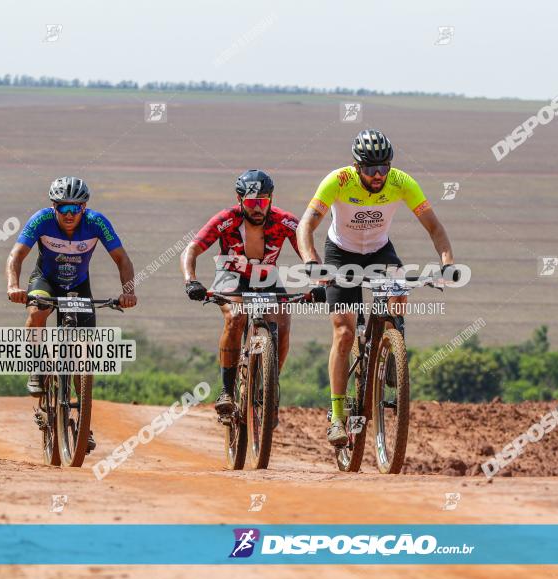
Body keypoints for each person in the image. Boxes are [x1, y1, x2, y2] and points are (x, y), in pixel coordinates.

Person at [296, 129, 459, 447]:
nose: (377, 175)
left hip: (379, 252)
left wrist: (448, 262)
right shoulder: (338, 181)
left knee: (400, 288)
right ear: (356, 167)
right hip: (340, 254)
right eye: (370, 169)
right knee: (344, 333)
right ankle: (336, 415)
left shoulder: (402, 182)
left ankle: (392, 344)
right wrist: (312, 262)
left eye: (383, 167)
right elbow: (306, 225)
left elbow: (435, 227)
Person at [5, 176, 137, 452]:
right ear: (53, 207)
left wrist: (128, 291)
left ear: (85, 207)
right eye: (62, 208)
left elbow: (122, 259)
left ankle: (83, 423)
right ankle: (37, 365)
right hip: (46, 281)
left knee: (83, 355)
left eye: (75, 209)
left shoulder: (97, 222)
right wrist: (13, 286)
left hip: (78, 286)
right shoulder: (41, 220)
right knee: (37, 310)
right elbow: (16, 255)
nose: (68, 214)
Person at [181, 169, 301, 420]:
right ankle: (226, 390)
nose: (257, 208)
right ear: (239, 200)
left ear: (271, 199)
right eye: (251, 202)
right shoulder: (226, 219)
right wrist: (191, 281)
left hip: (265, 276)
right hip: (231, 273)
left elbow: (308, 252)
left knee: (284, 321)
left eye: (263, 202)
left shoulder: (285, 220)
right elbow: (191, 250)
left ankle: (268, 389)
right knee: (236, 317)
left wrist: (322, 279)